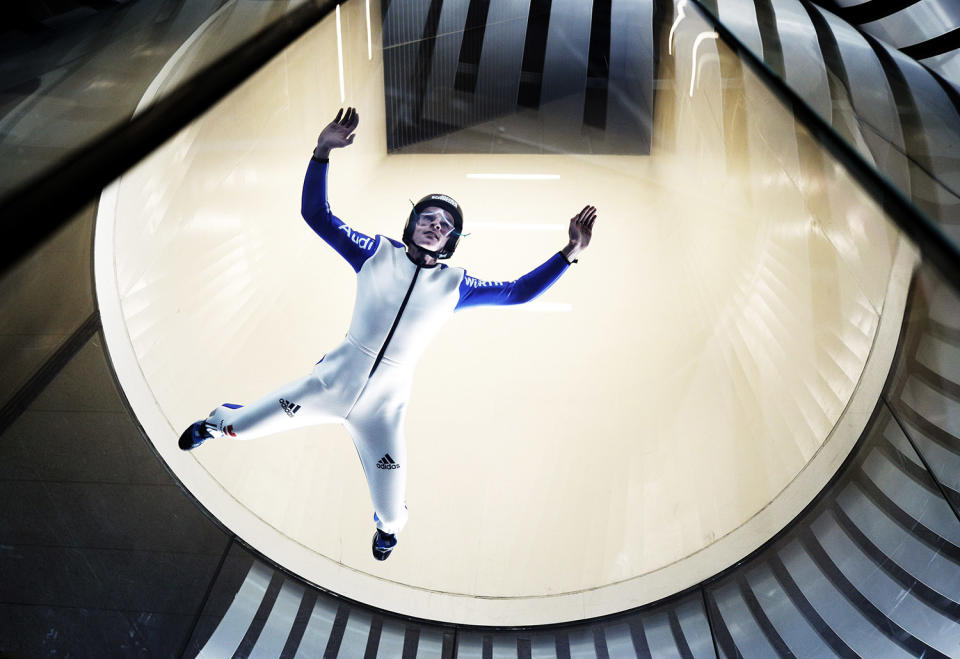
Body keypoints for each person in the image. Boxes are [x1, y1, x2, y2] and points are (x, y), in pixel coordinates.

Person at [179, 107, 596, 561]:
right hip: (325, 387)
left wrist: (569, 253)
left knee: (393, 514)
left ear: (452, 240)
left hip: (382, 413)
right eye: (428, 217)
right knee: (240, 429)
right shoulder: (375, 252)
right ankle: (214, 421)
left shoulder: (457, 285)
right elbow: (316, 214)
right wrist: (321, 153)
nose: (435, 224)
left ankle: (387, 530)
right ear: (411, 226)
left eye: (445, 224)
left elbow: (517, 293)